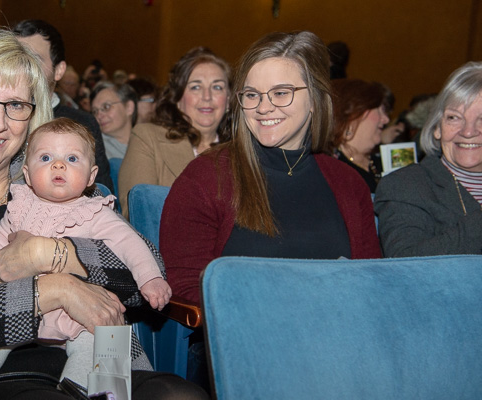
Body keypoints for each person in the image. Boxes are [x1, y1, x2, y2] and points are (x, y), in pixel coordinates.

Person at [0, 29, 208, 400]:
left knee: (183, 395)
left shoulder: (67, 186)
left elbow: (148, 275)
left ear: (33, 116)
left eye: (17, 105)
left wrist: (49, 253)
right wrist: (54, 289)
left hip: (99, 358)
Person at [0, 117, 172, 397]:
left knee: (93, 345)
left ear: (91, 177)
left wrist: (150, 279)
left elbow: (132, 246)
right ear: (28, 175)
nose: (58, 165)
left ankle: (75, 389)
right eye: (46, 157)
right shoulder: (20, 206)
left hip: (80, 315)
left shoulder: (95, 211)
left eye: (72, 158)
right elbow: (1, 231)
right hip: (25, 307)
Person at [161, 31, 381, 306]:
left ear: (314, 99)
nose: (263, 107)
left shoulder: (348, 183)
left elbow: (372, 282)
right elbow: (184, 287)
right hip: (246, 335)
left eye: (280, 93)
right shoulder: (206, 177)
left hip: (339, 332)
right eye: (252, 94)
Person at [374, 61, 482, 257]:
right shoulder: (407, 185)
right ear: (437, 128)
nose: (468, 131)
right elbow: (407, 263)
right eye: (454, 117)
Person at [118, 47, 231, 218]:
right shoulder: (147, 138)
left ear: (228, 100)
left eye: (217, 87)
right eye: (195, 87)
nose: (207, 96)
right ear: (178, 99)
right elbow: (137, 215)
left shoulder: (245, 152)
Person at [13, 19, 114, 192]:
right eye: (16, 58)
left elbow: (103, 194)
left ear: (59, 70)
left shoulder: (81, 123)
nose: (25, 68)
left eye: (34, 59)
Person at [331, 79, 394, 192]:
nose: (386, 119)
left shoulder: (382, 161)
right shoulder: (330, 168)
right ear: (353, 114)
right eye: (379, 111)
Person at [90, 81, 138, 159]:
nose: (99, 116)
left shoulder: (148, 142)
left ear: (129, 107)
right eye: (95, 111)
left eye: (106, 107)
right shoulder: (95, 150)